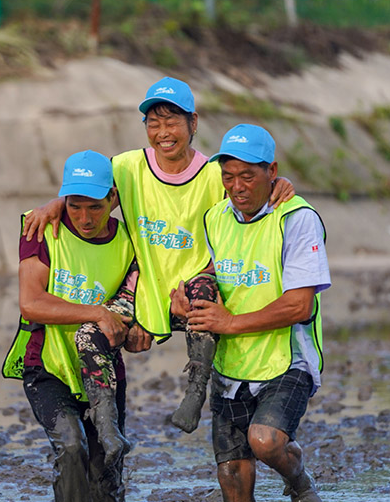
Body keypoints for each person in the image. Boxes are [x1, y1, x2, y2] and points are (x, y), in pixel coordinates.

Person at [23, 77, 295, 433]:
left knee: (204, 304)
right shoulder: (126, 167)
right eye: (154, 123)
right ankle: (107, 428)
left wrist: (282, 184)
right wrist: (54, 203)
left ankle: (196, 391)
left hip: (196, 281)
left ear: (192, 123)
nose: (163, 132)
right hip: (143, 288)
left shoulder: (216, 174)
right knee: (91, 331)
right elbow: (88, 191)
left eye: (172, 122)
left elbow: (248, 196)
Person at [177, 123, 329, 502]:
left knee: (265, 441)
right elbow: (213, 274)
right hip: (230, 368)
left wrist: (228, 323)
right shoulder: (215, 218)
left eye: (248, 176)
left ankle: (299, 482)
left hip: (286, 360)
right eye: (228, 177)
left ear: (272, 171)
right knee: (231, 477)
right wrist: (186, 300)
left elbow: (300, 305)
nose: (237, 187)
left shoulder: (297, 219)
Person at [3, 150, 140, 502]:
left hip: (100, 369)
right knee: (71, 444)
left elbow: (134, 307)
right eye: (74, 205)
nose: (83, 217)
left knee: (106, 455)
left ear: (113, 198)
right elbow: (31, 303)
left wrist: (136, 330)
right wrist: (96, 312)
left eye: (94, 207)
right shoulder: (39, 228)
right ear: (62, 200)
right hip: (46, 365)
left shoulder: (130, 241)